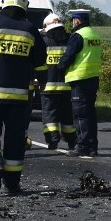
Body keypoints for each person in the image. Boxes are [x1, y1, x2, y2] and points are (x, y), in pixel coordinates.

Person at [0, 0, 46, 195]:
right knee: (15, 139)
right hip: (19, 96)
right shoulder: (30, 30)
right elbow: (41, 63)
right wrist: (41, 83)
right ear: (25, 4)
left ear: (4, 3)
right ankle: (12, 183)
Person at [58, 9, 102, 157]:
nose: (72, 23)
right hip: (93, 78)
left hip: (79, 79)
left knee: (80, 115)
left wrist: (59, 68)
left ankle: (82, 145)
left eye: (73, 20)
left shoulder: (78, 36)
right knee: (90, 113)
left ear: (77, 21)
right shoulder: (95, 35)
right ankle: (92, 145)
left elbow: (68, 56)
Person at [40, 13, 77, 150]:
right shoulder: (70, 40)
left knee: (50, 115)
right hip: (67, 86)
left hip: (48, 86)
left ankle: (53, 141)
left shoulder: (44, 41)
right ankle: (72, 141)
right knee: (68, 116)